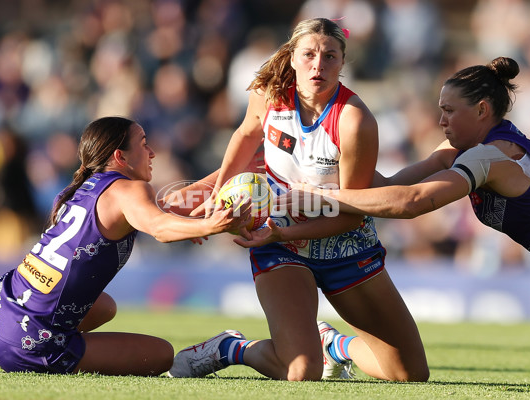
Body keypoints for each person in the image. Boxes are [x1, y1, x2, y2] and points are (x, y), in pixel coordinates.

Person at [167, 18, 429, 382]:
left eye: (330, 57)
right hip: (279, 243)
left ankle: (332, 344)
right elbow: (245, 135)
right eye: (308, 55)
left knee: (409, 375)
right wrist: (217, 194)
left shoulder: (356, 121)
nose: (318, 66)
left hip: (344, 244)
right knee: (302, 372)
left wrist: (281, 234)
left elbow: (352, 213)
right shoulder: (269, 93)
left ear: (342, 62)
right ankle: (230, 348)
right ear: (291, 57)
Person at [0, 116, 251, 375]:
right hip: (33, 338)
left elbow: (166, 210)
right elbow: (160, 226)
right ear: (120, 157)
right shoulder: (129, 189)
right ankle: (16, 354)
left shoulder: (79, 190)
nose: (152, 153)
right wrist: (209, 226)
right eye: (144, 143)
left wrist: (233, 171)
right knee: (160, 355)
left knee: (105, 307)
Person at [281, 56, 530, 267]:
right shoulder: (458, 151)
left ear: (481, 110)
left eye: (449, 111)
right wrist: (327, 159)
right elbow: (387, 186)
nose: (441, 121)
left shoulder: (490, 156)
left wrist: (323, 197)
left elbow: (411, 201)